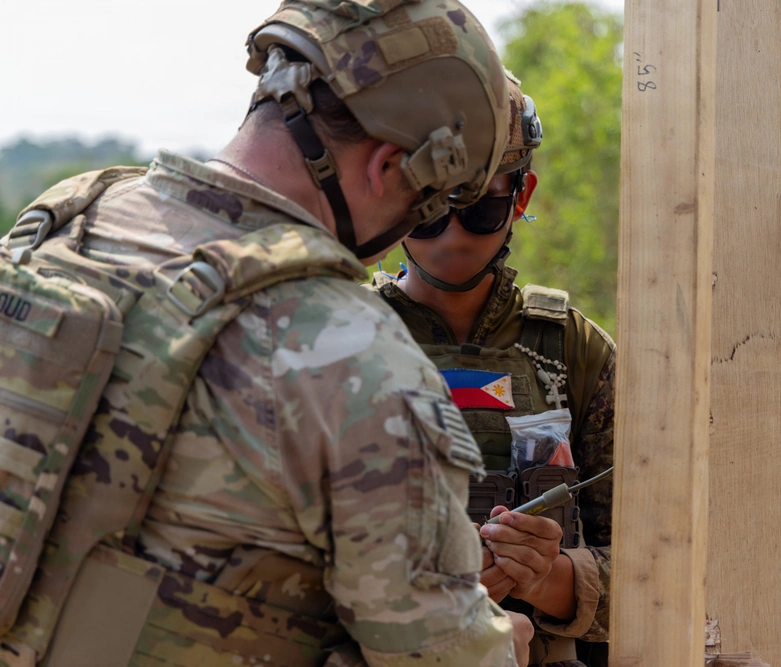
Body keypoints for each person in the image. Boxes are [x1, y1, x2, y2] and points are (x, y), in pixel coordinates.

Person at [0, 2, 535, 665]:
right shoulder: (353, 354)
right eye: (424, 208)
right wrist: (496, 645)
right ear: (388, 167)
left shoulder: (67, 221)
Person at [372, 75, 614, 667]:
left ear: (521, 196)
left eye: (479, 209)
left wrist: (549, 579)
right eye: (429, 213)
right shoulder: (340, 343)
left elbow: (661, 569)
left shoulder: (575, 350)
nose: (452, 237)